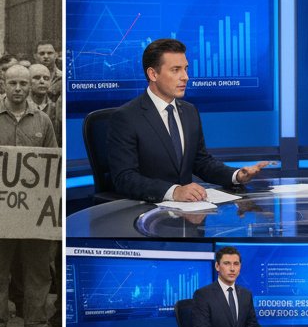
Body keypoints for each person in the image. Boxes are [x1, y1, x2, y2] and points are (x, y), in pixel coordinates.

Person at [107, 38, 272, 204]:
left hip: (189, 215)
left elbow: (201, 162)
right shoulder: (126, 117)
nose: (185, 77)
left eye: (186, 69)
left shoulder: (189, 111)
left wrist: (236, 175)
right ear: (153, 74)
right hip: (145, 211)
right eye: (175, 70)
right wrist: (174, 191)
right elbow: (125, 178)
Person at [0, 64, 58, 327]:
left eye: (23, 83)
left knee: (37, 267)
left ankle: (35, 322)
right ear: (3, 84)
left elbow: (52, 166)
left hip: (34, 210)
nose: (19, 89)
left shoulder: (43, 121)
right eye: (13, 83)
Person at [189, 247, 287, 327]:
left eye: (236, 264)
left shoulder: (245, 294)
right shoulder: (203, 295)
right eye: (227, 263)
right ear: (217, 266)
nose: (232, 269)